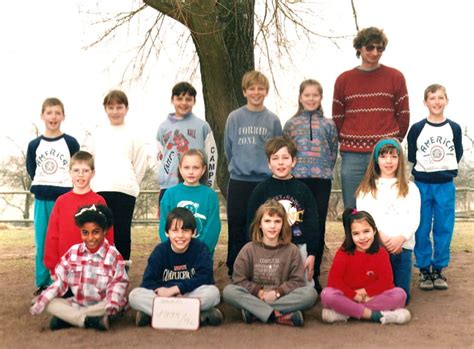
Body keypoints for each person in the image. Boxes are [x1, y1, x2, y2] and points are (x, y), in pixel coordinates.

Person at [332, 27, 410, 209]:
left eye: (380, 48)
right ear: (359, 48)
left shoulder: (395, 77)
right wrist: (347, 140)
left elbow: (403, 115)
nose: (375, 53)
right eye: (370, 48)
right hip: (352, 155)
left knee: (386, 206)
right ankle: (352, 238)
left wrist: (390, 145)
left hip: (384, 154)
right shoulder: (344, 79)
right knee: (353, 207)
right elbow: (337, 117)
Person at [30, 204, 128, 331]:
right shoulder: (73, 252)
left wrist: (112, 303)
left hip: (103, 304)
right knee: (46, 301)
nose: (90, 238)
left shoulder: (113, 255)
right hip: (78, 304)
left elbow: (118, 284)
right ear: (80, 231)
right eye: (85, 233)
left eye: (96, 232)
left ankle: (70, 318)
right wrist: (42, 301)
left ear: (104, 231)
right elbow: (60, 282)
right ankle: (87, 320)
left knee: (115, 303)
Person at [223, 199, 317, 327]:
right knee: (229, 291)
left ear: (283, 224)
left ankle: (255, 312)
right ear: (260, 224)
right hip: (255, 296)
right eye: (267, 221)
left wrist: (277, 293)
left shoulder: (292, 250)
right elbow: (238, 279)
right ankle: (277, 315)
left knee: (310, 294)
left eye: (277, 221)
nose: (272, 226)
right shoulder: (248, 249)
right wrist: (259, 292)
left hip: (281, 297)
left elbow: (297, 281)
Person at [224, 70, 283, 275]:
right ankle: (235, 267)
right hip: (239, 180)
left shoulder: (273, 120)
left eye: (260, 88)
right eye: (251, 88)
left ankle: (260, 267)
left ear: (266, 91)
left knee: (262, 225)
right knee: (237, 224)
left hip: (264, 181)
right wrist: (239, 166)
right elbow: (228, 149)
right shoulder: (234, 118)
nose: (256, 92)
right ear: (244, 92)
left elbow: (278, 150)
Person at [283, 79, 338, 293]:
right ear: (300, 97)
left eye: (315, 95)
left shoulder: (329, 124)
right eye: (307, 95)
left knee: (317, 224)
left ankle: (313, 275)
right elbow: (286, 150)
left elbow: (333, 151)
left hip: (321, 181)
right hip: (296, 180)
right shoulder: (291, 124)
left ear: (321, 97)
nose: (311, 99)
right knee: (294, 224)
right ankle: (291, 273)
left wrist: (322, 169)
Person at [407, 84, 463, 291]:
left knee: (443, 227)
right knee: (421, 227)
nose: (437, 102)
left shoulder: (454, 128)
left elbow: (457, 154)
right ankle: (423, 269)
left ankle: (438, 269)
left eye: (441, 98)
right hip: (423, 184)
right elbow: (412, 155)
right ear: (425, 102)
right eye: (432, 98)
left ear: (447, 101)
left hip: (445, 185)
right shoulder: (417, 128)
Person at [247, 136, 320, 291]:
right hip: (268, 248)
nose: (280, 163)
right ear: (268, 163)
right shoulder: (261, 190)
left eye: (285, 158)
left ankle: (286, 304)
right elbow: (251, 223)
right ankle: (276, 305)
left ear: (293, 161)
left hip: (298, 246)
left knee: (307, 290)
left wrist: (312, 254)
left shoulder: (303, 190)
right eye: (275, 158)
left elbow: (313, 224)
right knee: (267, 287)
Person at [128, 207, 223, 327]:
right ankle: (197, 315)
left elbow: (206, 278)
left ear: (193, 232)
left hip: (189, 294)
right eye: (175, 231)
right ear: (167, 233)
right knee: (135, 295)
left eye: (185, 230)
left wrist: (177, 290)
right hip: (164, 297)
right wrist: (168, 293)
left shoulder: (200, 249)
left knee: (213, 293)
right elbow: (148, 282)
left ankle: (158, 314)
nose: (180, 236)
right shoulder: (160, 251)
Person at [82, 90, 146, 264]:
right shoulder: (96, 134)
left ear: (126, 109)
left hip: (125, 190)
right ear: (105, 109)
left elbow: (140, 164)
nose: (115, 111)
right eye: (111, 107)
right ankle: (99, 270)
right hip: (100, 189)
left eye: (119, 107)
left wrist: (132, 183)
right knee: (98, 231)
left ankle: (122, 273)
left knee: (122, 232)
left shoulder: (135, 135)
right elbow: (88, 161)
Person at [356, 138, 420, 303]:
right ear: (376, 159)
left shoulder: (410, 188)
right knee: (375, 292)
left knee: (401, 297)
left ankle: (383, 304)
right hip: (376, 248)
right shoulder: (366, 189)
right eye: (384, 156)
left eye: (393, 156)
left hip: (402, 248)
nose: (389, 161)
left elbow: (414, 217)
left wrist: (401, 238)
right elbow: (365, 220)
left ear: (400, 159)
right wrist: (382, 238)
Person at [26, 97, 80, 295]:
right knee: (43, 240)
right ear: (42, 116)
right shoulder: (34, 145)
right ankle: (44, 282)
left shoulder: (70, 142)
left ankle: (68, 281)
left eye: (57, 113)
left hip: (65, 198)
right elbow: (32, 169)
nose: (53, 117)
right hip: (42, 198)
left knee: (66, 240)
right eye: (49, 112)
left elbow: (77, 167)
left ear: (63, 116)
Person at [320, 209, 411, 325]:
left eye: (366, 231)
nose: (362, 237)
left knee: (400, 295)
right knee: (327, 295)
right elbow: (334, 281)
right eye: (356, 233)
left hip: (371, 297)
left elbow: (386, 282)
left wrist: (364, 293)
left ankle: (345, 312)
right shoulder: (343, 253)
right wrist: (355, 296)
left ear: (374, 231)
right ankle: (375, 315)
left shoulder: (381, 253)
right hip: (348, 295)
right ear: (350, 235)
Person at [44, 151, 114, 275]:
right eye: (76, 170)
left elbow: (108, 234)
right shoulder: (61, 201)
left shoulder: (99, 201)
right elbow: (52, 235)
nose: (80, 175)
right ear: (70, 172)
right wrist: (52, 266)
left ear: (93, 173)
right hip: (66, 267)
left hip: (93, 267)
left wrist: (107, 261)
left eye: (85, 171)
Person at [156, 82, 217, 205]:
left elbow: (212, 157)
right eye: (179, 99)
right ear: (172, 100)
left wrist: (208, 185)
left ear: (194, 101)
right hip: (169, 187)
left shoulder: (203, 126)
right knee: (169, 223)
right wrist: (162, 183)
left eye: (188, 99)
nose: (184, 103)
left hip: (196, 186)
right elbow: (159, 159)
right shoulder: (163, 127)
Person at [159, 149, 221, 256]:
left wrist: (199, 250)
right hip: (175, 254)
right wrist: (173, 249)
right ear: (180, 169)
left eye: (196, 167)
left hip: (201, 255)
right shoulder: (170, 194)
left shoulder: (210, 195)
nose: (191, 172)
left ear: (203, 170)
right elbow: (164, 225)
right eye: (186, 167)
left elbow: (213, 228)